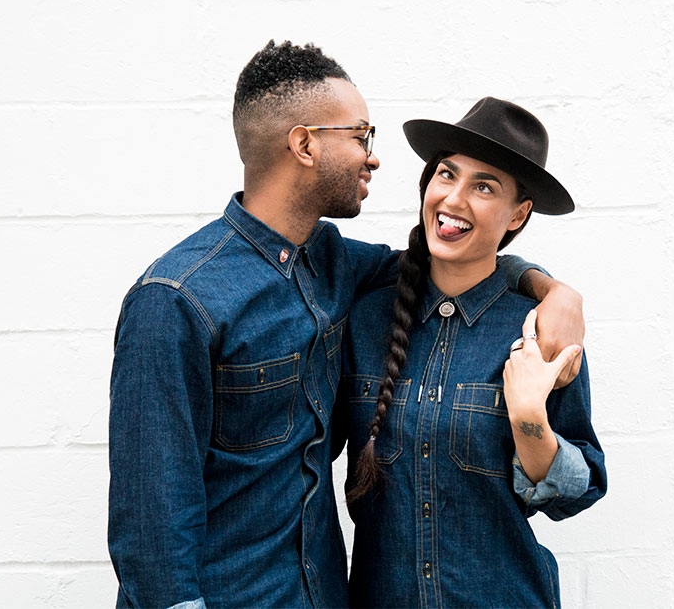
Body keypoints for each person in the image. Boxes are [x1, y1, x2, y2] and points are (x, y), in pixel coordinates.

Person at [107, 42, 586, 609]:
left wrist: (552, 289)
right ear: (305, 144)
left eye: (484, 185)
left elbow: (444, 266)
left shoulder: (335, 262)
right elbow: (149, 524)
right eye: (361, 136)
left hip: (325, 593)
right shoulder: (177, 299)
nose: (373, 156)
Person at [339, 97, 607, 608]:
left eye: (484, 186)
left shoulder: (539, 330)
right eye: (447, 174)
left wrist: (529, 417)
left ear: (518, 214)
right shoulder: (366, 316)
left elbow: (580, 490)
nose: (455, 199)